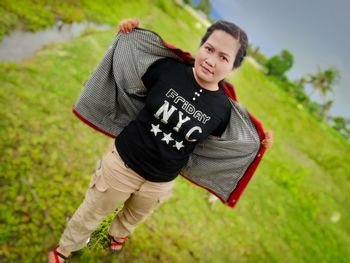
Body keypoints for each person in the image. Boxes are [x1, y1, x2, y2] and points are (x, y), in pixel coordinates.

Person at [48, 18, 273, 262]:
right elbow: (129, 73)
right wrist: (129, 33)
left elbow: (229, 144)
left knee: (133, 217)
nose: (211, 60)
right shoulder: (167, 69)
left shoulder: (223, 110)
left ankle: (117, 234)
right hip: (123, 163)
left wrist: (258, 143)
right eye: (209, 49)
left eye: (223, 57)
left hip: (160, 182)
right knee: (92, 212)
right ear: (201, 45)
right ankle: (65, 250)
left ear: (233, 69)